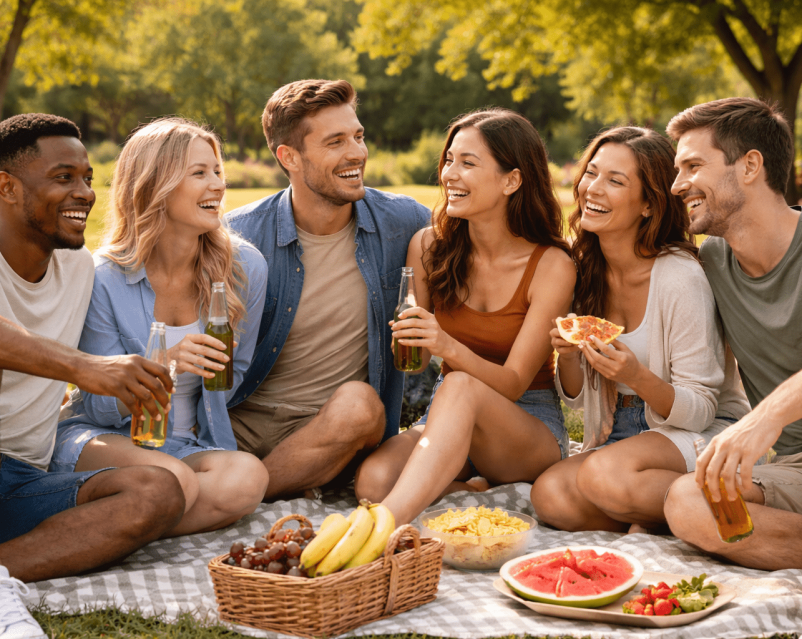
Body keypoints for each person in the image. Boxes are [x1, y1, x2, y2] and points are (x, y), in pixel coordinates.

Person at [0, 113, 184, 638]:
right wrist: (84, 368)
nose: (84, 193)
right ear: (6, 186)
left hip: (18, 478)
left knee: (158, 492)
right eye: (64, 178)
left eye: (88, 178)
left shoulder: (77, 267)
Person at [353, 108, 576, 525]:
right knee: (373, 482)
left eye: (468, 163)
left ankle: (381, 530)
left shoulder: (551, 265)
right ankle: (474, 490)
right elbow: (416, 364)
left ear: (512, 180)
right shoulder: (428, 247)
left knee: (457, 384)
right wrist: (412, 338)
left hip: (525, 427)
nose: (450, 174)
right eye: (449, 160)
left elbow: (511, 384)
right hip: (447, 416)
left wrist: (446, 345)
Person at [52, 118, 269, 535]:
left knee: (248, 478)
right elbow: (98, 406)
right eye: (199, 173)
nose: (218, 185)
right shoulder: (104, 278)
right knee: (176, 481)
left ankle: (111, 526)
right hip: (104, 436)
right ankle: (128, 516)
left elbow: (232, 375)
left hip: (188, 444)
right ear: (157, 185)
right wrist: (166, 365)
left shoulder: (244, 269)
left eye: (218, 171)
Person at [530, 126, 751, 533]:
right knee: (550, 496)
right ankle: (657, 518)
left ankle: (739, 503)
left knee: (602, 477)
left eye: (615, 181)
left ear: (648, 204)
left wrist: (635, 377)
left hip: (699, 430)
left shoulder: (680, 278)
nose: (592, 189)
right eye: (591, 173)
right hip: (620, 432)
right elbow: (577, 402)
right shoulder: (587, 270)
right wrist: (569, 353)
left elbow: (702, 408)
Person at [226, 79, 430, 500]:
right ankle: (257, 484)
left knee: (360, 404)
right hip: (240, 427)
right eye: (335, 141)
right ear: (290, 157)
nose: (357, 152)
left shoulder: (405, 224)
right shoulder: (238, 237)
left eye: (358, 136)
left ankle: (239, 495)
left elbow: (489, 251)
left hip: (337, 430)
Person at [663, 97, 802, 570]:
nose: (678, 184)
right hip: (796, 466)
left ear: (750, 166)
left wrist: (763, 420)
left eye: (693, 166)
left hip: (775, 444)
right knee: (687, 501)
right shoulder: (712, 263)